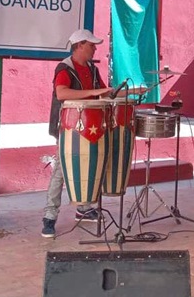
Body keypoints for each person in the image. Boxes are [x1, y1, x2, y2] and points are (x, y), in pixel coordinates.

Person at [43, 29, 145, 238]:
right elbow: (62, 93)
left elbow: (106, 92)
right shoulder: (65, 68)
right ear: (79, 45)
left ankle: (84, 208)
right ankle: (49, 217)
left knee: (94, 163)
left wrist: (133, 92)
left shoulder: (91, 67)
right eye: (91, 45)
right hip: (70, 127)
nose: (95, 48)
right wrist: (92, 92)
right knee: (62, 171)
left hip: (94, 124)